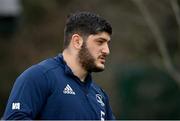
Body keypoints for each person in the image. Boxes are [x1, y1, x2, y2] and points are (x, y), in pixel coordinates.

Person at [2, 11, 115, 120]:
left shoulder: (100, 95)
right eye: (100, 42)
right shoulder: (39, 77)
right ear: (77, 41)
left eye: (107, 44)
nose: (107, 50)